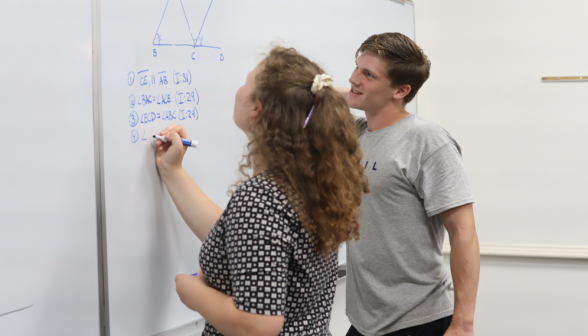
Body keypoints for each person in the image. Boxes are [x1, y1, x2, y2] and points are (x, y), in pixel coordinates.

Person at [154, 46, 369, 336]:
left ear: (258, 109)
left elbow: (258, 326)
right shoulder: (307, 184)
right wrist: (173, 171)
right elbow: (245, 238)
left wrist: (193, 292)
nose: (238, 89)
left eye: (245, 82)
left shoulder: (262, 198)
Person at [337, 33, 480, 336]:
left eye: (368, 74)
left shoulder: (427, 140)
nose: (353, 78)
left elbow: (463, 231)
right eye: (356, 68)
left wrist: (463, 323)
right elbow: (317, 96)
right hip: (364, 320)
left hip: (418, 319)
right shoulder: (357, 131)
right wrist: (359, 86)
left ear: (401, 90)